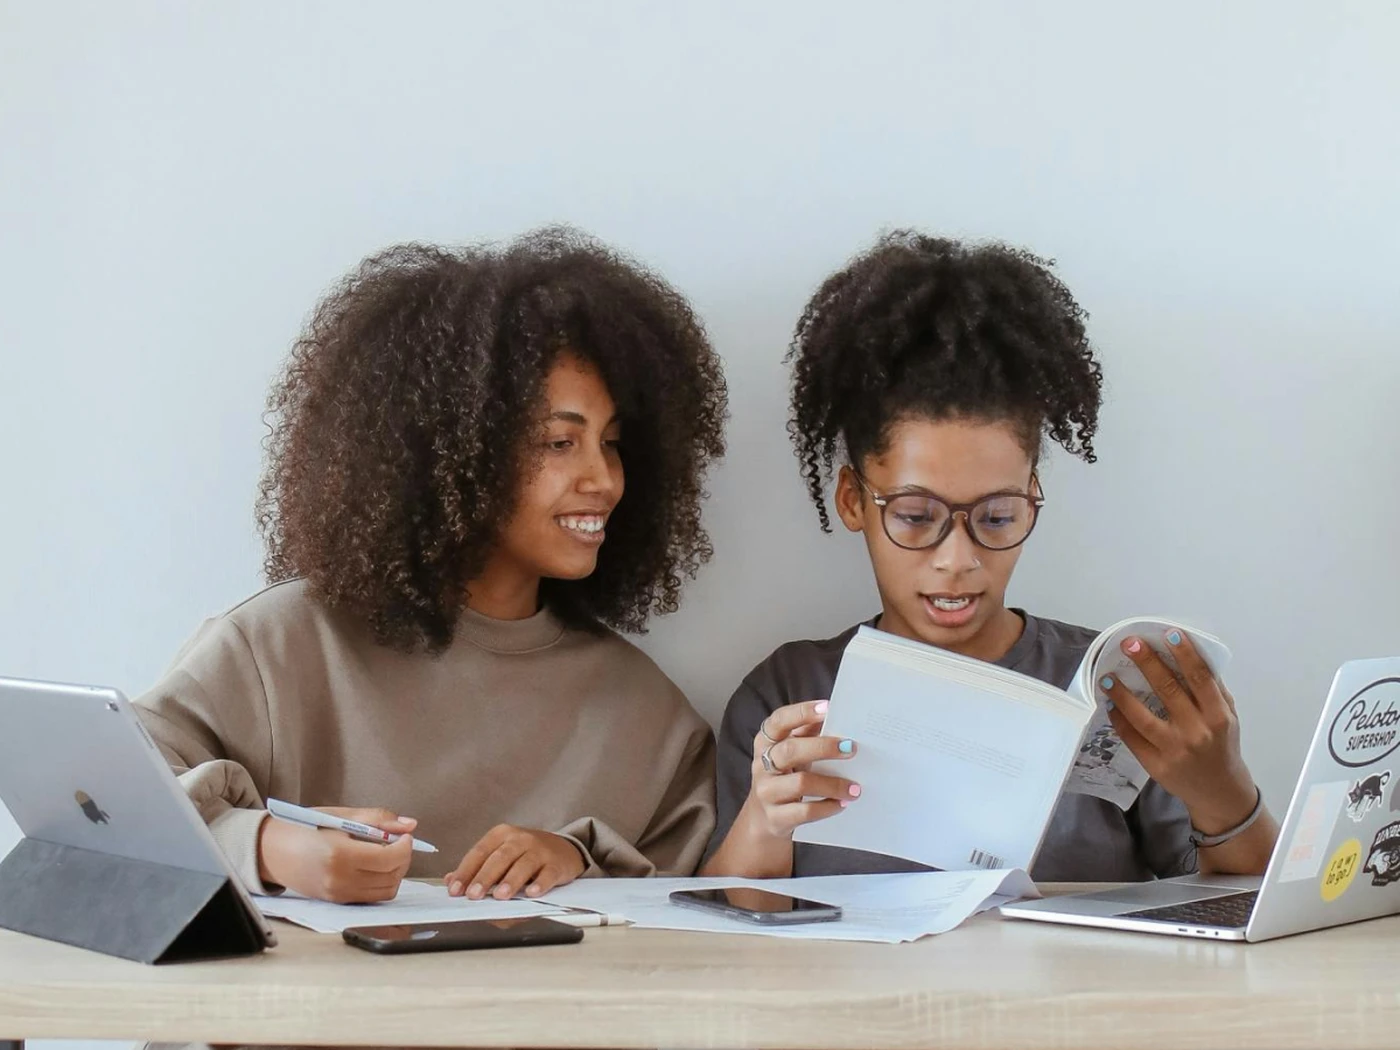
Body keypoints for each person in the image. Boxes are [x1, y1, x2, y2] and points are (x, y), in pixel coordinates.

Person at [137, 228, 727, 903]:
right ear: (451, 449)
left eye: (613, 443)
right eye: (560, 442)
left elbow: (683, 930)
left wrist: (575, 859)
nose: (603, 478)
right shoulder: (277, 650)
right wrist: (270, 848)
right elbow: (106, 808)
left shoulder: (648, 720)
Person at [703, 231, 1278, 881]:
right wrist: (763, 822)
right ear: (853, 500)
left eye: (997, 517)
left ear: (1034, 496)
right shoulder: (789, 694)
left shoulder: (1109, 687)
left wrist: (1222, 787)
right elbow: (729, 943)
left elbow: (1241, 912)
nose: (957, 558)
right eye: (916, 517)